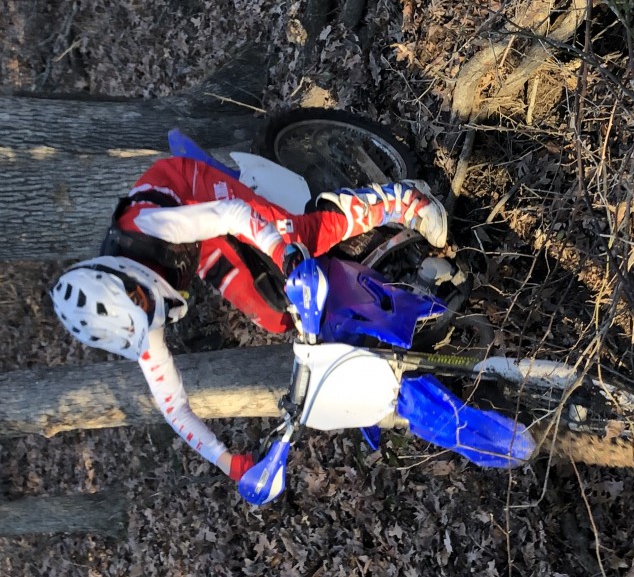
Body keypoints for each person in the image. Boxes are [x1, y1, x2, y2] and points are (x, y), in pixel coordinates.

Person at [50, 154, 448, 483]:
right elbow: (174, 408)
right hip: (194, 246)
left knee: (299, 238)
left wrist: (282, 252)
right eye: (148, 320)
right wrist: (228, 462)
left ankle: (400, 199)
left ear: (128, 281)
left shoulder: (149, 227)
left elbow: (231, 214)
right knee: (275, 314)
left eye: (145, 304)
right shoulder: (135, 323)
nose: (155, 318)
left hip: (190, 195)